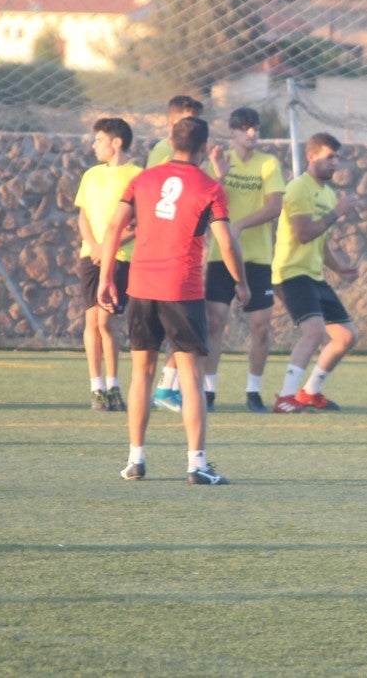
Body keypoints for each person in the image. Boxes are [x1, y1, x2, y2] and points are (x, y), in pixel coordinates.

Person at [98, 116, 249, 485]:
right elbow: (226, 241)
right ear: (202, 148)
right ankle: (196, 464)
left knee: (142, 375)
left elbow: (115, 227)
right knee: (192, 378)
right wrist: (240, 282)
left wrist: (105, 277)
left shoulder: (142, 179)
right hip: (181, 289)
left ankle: (136, 460)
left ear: (169, 141)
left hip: (141, 286)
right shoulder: (210, 187)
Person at [270, 132, 360, 413]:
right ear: (312, 157)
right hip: (291, 273)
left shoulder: (328, 193)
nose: (335, 162)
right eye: (329, 156)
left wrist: (339, 267)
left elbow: (320, 243)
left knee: (347, 336)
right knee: (314, 332)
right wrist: (337, 213)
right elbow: (305, 233)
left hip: (314, 276)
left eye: (337, 157)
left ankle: (310, 392)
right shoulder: (298, 189)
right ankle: (285, 397)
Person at [204, 107, 285, 413]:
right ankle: (208, 391)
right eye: (247, 128)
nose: (253, 133)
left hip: (257, 257)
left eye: (256, 128)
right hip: (220, 257)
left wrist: (239, 225)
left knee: (261, 326)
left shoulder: (268, 164)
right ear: (233, 133)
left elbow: (275, 206)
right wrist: (219, 175)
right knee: (214, 322)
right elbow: (205, 202)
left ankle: (253, 392)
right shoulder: (219, 159)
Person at [74, 117, 142, 412]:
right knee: (91, 322)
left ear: (116, 143)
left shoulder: (138, 175)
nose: (94, 145)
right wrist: (96, 247)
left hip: (121, 258)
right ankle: (97, 388)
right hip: (91, 256)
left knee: (106, 322)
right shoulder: (90, 175)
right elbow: (83, 216)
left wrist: (111, 248)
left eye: (99, 139)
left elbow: (140, 223)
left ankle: (114, 385)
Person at [146, 95, 205, 413]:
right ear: (172, 123)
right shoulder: (162, 154)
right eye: (188, 120)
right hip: (163, 257)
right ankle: (163, 389)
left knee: (187, 329)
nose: (193, 126)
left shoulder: (195, 160)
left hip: (181, 254)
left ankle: (167, 388)